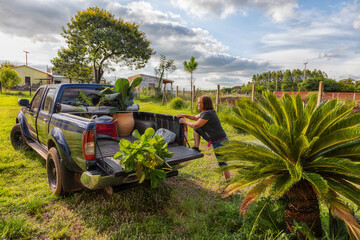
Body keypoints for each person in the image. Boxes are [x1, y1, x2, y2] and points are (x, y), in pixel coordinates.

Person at [176, 96, 231, 180]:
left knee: (222, 163)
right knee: (197, 130)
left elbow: (196, 124)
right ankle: (196, 147)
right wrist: (184, 115)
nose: (197, 104)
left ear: (205, 104)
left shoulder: (208, 114)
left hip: (220, 142)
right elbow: (194, 118)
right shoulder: (206, 113)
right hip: (213, 139)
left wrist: (185, 121)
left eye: (199, 102)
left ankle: (229, 182)